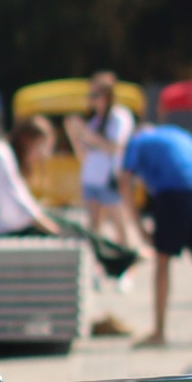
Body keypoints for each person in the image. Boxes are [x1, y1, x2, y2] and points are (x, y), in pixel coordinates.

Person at [122, 116, 192, 349]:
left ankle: (159, 332)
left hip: (173, 192)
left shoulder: (136, 142)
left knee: (163, 260)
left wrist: (138, 227)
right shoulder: (178, 134)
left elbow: (125, 182)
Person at [65, 72, 141, 259]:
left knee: (119, 226)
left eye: (95, 95)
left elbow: (114, 147)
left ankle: (127, 260)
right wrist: (74, 135)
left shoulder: (119, 116)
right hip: (91, 178)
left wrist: (86, 134)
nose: (91, 99)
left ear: (107, 96)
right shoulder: (95, 121)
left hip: (109, 178)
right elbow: (84, 155)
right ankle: (99, 263)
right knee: (93, 228)